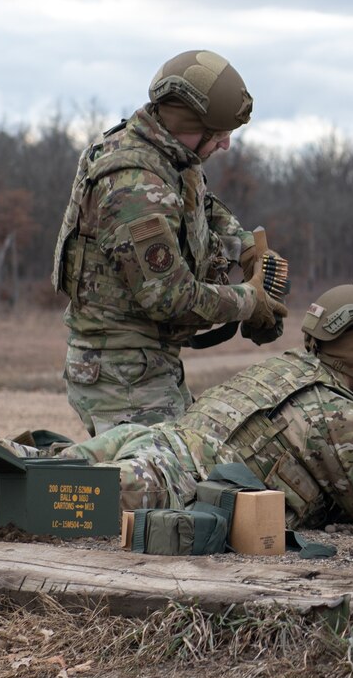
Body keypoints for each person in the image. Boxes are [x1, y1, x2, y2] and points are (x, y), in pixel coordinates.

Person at [66, 283, 353, 536]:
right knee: (42, 502)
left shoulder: (287, 366)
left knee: (32, 468)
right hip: (165, 483)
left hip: (149, 441)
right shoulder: (341, 416)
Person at [49, 50, 290, 435]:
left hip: (149, 365)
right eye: (221, 134)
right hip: (121, 376)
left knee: (194, 465)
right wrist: (249, 300)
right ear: (192, 124)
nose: (226, 144)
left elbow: (200, 208)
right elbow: (169, 297)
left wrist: (242, 245)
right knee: (156, 488)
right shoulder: (135, 185)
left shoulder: (171, 158)